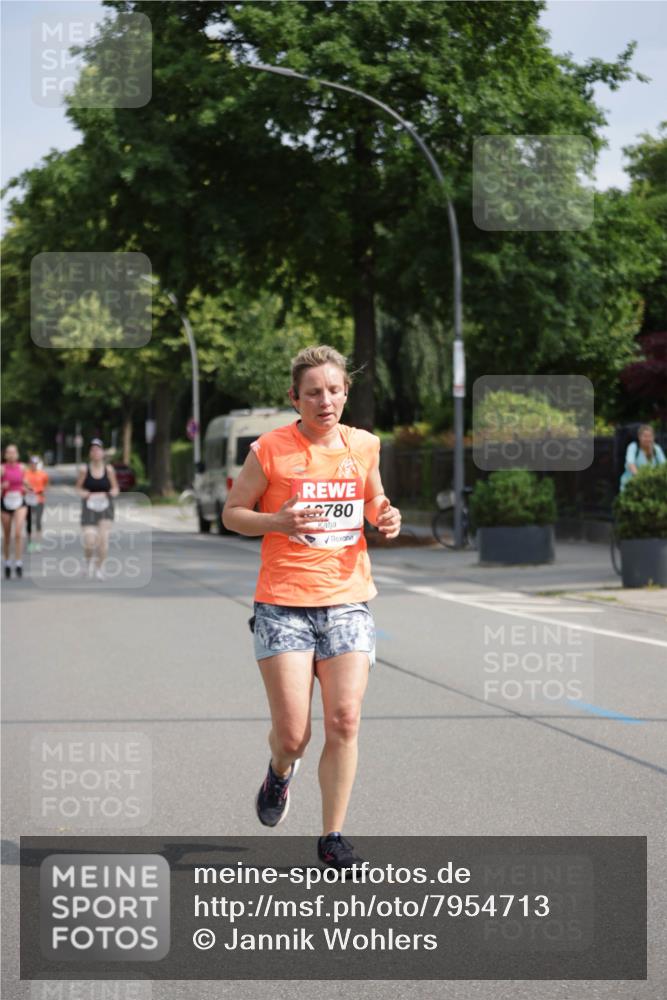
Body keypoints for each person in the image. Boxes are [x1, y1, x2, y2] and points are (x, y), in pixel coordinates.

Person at [223, 345, 401, 871]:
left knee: (344, 720)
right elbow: (234, 512)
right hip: (283, 604)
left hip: (347, 597)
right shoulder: (270, 450)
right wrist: (276, 522)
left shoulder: (364, 445)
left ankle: (332, 837)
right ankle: (280, 771)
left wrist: (385, 515)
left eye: (334, 390)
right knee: (295, 734)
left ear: (346, 392)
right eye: (314, 392)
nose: (326, 401)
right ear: (294, 399)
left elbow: (374, 499)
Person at [75, 439, 120, 580]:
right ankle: (88, 562)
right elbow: (78, 488)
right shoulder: (84, 470)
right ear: (90, 454)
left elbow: (115, 488)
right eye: (93, 450)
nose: (96, 452)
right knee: (89, 541)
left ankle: (100, 568)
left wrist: (113, 492)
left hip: (106, 508)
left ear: (102, 452)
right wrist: (84, 494)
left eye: (98, 449)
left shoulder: (109, 470)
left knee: (103, 540)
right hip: (89, 508)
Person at [1, 443, 29, 579]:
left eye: (14, 452)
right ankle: (7, 562)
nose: (11, 455)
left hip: (19, 502)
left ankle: (18, 562)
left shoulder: (22, 467)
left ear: (17, 454)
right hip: (5, 502)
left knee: (18, 533)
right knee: (7, 536)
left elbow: (25, 482)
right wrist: (2, 485)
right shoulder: (1, 469)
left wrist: (28, 487)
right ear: (5, 455)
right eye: (9, 452)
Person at [619, 424, 666, 491]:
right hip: (631, 484)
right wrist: (641, 479)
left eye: (650, 436)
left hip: (651, 486)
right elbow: (630, 464)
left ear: (653, 437)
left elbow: (664, 466)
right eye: (645, 436)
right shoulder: (633, 447)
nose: (648, 439)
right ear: (639, 437)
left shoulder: (656, 448)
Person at [25, 455, 49, 552]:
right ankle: (30, 543)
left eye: (35, 463)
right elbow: (22, 485)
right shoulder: (25, 473)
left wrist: (43, 492)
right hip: (28, 500)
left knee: (38, 521)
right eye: (32, 463)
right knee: (29, 522)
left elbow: (46, 485)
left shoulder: (43, 474)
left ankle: (38, 543)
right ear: (29, 464)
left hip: (39, 500)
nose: (33, 465)